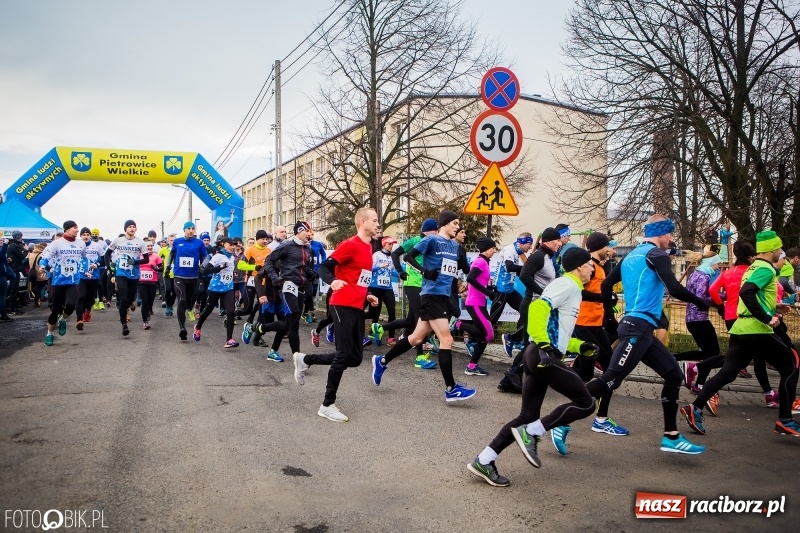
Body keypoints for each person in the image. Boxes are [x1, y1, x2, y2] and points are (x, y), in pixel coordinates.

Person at [467, 247, 598, 486]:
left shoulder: (572, 289)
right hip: (542, 355)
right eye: (590, 264)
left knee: (527, 415)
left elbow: (559, 331)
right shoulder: (567, 284)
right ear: (579, 266)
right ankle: (533, 432)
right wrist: (544, 346)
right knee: (587, 403)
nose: (593, 268)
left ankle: (484, 460)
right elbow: (539, 308)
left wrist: (580, 346)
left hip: (537, 352)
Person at [587, 215, 711, 455]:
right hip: (638, 327)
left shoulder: (631, 255)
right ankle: (553, 422)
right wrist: (701, 301)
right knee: (610, 380)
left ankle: (671, 437)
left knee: (674, 375)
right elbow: (674, 288)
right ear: (662, 234)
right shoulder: (657, 255)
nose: (671, 239)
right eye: (670, 235)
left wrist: (610, 317)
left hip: (640, 328)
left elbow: (606, 285)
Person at [682, 230, 800, 437]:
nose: (781, 252)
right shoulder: (765, 269)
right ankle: (785, 420)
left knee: (727, 373)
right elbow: (747, 293)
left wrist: (775, 307)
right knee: (791, 366)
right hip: (757, 329)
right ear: (772, 249)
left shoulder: (752, 268)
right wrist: (767, 318)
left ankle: (695, 408)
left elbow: (753, 296)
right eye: (779, 249)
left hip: (740, 328)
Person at [370, 210, 476, 401]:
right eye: (454, 223)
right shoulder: (431, 240)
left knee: (416, 338)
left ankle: (382, 361)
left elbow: (458, 268)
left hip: (443, 295)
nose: (457, 227)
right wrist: (425, 271)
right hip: (431, 295)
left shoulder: (454, 245)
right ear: (443, 223)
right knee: (447, 340)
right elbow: (408, 256)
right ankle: (451, 388)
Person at [293, 208, 382, 422]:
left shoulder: (369, 247)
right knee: (343, 355)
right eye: (375, 220)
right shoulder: (350, 244)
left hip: (357, 306)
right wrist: (332, 280)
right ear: (362, 222)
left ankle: (305, 359)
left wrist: (367, 294)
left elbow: (359, 277)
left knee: (355, 358)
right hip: (341, 304)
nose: (378, 224)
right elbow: (325, 267)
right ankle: (327, 405)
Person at [571, 231, 629, 436]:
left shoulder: (599, 266)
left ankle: (549, 374)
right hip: (587, 324)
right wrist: (601, 297)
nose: (610, 249)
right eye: (608, 245)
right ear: (600, 247)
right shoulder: (590, 266)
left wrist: (606, 307)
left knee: (586, 373)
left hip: (593, 323)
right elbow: (577, 290)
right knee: (612, 370)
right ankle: (601, 419)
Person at [378, 219, 439, 369]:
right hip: (412, 284)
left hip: (423, 285)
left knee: (410, 320)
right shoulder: (416, 240)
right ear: (426, 231)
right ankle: (419, 357)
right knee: (421, 318)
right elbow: (396, 254)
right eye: (434, 230)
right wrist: (400, 271)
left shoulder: (433, 244)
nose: (437, 233)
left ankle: (380, 328)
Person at [673, 252, 725, 415]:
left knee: (708, 354)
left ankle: (695, 379)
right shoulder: (703, 277)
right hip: (699, 319)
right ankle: (693, 369)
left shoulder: (694, 274)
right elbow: (702, 299)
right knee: (714, 354)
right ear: (710, 264)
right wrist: (722, 296)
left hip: (692, 319)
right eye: (716, 264)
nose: (717, 267)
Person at [502, 227, 561, 355]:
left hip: (539, 304)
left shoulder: (548, 257)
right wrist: (542, 292)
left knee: (532, 343)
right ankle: (515, 370)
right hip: (531, 302)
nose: (560, 244)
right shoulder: (538, 256)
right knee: (530, 345)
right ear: (549, 242)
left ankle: (519, 366)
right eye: (558, 240)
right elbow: (524, 275)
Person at [262, 221, 317, 361]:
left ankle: (260, 330)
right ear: (299, 231)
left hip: (300, 287)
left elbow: (301, 266)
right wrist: (274, 278)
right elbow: (268, 261)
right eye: (307, 232)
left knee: (288, 324)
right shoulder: (287, 245)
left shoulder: (307, 248)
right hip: (287, 286)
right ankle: (298, 359)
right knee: (294, 325)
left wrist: (309, 272)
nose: (309, 235)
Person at [455, 237, 499, 376]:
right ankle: (458, 325)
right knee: (489, 334)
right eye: (493, 248)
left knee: (484, 336)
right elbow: (470, 279)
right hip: (474, 303)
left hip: (479, 303)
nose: (494, 251)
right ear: (486, 248)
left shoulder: (483, 262)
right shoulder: (480, 261)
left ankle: (472, 366)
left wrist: (491, 288)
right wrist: (487, 292)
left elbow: (479, 280)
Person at [39, 221, 88, 345]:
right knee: (55, 310)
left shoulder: (81, 244)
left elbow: (84, 258)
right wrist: (42, 266)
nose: (77, 230)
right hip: (58, 281)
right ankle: (49, 334)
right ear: (67, 229)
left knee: (71, 305)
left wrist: (86, 269)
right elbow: (46, 258)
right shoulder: (56, 243)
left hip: (73, 281)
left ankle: (63, 319)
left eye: (78, 227)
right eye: (75, 228)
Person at [164, 221, 208, 341]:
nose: (191, 230)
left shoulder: (199, 243)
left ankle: (189, 308)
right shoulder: (178, 241)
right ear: (184, 230)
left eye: (192, 228)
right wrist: (168, 267)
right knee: (181, 300)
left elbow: (206, 257)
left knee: (190, 300)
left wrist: (202, 266)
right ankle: (182, 328)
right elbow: (171, 254)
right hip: (179, 276)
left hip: (193, 277)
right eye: (188, 228)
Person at [105, 220, 150, 337]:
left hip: (134, 274)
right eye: (130, 227)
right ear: (125, 229)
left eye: (134, 227)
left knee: (130, 299)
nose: (132, 228)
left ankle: (128, 306)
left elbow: (146, 259)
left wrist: (135, 261)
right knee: (123, 299)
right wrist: (110, 270)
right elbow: (106, 254)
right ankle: (124, 324)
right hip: (121, 273)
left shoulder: (140, 243)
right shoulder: (118, 241)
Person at [194, 237, 239, 348]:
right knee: (208, 310)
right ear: (224, 244)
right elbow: (207, 270)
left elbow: (228, 271)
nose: (233, 247)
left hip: (228, 288)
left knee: (231, 312)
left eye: (234, 245)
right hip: (215, 288)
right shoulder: (218, 256)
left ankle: (229, 339)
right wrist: (219, 267)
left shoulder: (232, 258)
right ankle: (198, 327)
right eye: (231, 244)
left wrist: (232, 274)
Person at [488, 233, 534, 326]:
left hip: (509, 289)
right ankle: (476, 338)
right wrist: (527, 268)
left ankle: (515, 338)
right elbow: (510, 267)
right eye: (529, 244)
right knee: (492, 319)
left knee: (526, 311)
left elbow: (516, 271)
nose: (530, 247)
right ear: (522, 243)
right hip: (502, 289)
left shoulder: (517, 251)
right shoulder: (510, 249)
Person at [367, 236, 398, 345]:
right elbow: (369, 269)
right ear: (384, 244)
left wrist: (401, 273)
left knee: (392, 310)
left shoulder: (393, 257)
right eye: (389, 244)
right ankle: (373, 329)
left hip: (387, 287)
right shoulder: (376, 255)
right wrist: (380, 266)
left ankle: (391, 337)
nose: (391, 246)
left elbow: (393, 272)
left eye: (392, 244)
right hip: (375, 286)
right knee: (374, 312)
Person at [76, 227, 105, 328]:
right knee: (81, 296)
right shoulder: (76, 246)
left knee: (90, 298)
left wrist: (97, 264)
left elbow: (104, 258)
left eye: (87, 235)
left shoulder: (96, 246)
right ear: (80, 236)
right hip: (81, 275)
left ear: (90, 236)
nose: (86, 236)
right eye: (83, 235)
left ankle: (88, 310)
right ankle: (79, 319)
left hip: (94, 275)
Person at [137, 240, 162, 330]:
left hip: (152, 282)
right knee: (145, 301)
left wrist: (156, 268)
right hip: (141, 282)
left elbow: (161, 268)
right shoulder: (139, 256)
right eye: (147, 246)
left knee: (150, 301)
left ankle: (148, 311)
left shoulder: (156, 256)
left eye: (151, 246)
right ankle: (145, 321)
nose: (149, 248)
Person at [6, 230, 28, 313]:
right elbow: (22, 257)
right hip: (15, 269)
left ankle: (12, 305)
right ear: (18, 237)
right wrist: (26, 250)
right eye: (21, 236)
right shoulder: (14, 245)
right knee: (14, 289)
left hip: (13, 269)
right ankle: (13, 307)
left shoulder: (11, 245)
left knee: (13, 288)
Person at [159, 234, 176, 316]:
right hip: (167, 274)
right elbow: (157, 258)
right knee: (168, 290)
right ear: (168, 241)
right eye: (171, 240)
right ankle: (168, 306)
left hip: (177, 274)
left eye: (174, 240)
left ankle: (170, 305)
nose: (172, 242)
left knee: (175, 292)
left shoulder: (178, 249)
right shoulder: (163, 250)